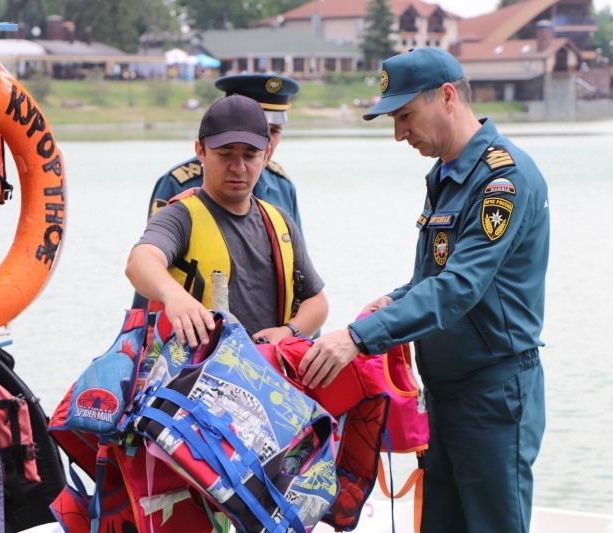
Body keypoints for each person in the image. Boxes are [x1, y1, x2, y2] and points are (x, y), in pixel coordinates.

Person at [298, 48, 549, 533]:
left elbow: (460, 287)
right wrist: (392, 302)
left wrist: (360, 337)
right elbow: (432, 279)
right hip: (445, 394)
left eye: (406, 116)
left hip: (493, 396)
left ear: (448, 97)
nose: (399, 133)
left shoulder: (504, 178)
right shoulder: (448, 176)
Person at [126, 94, 327, 348]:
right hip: (197, 368)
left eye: (250, 155)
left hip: (267, 368)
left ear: (266, 154)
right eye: (225, 154)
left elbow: (316, 301)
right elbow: (140, 260)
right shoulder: (180, 216)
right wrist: (174, 296)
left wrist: (289, 331)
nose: (238, 167)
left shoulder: (279, 222)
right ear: (201, 151)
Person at [146, 73, 302, 229]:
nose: (265, 141)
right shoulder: (177, 184)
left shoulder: (282, 185)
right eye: (256, 133)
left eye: (273, 131)